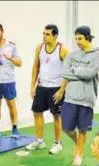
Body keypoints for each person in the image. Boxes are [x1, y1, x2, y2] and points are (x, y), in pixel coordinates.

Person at [60, 26, 99, 166]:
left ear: (87, 38)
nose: (77, 41)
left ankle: (78, 154)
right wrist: (80, 73)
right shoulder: (72, 54)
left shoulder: (97, 54)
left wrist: (74, 70)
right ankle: (78, 143)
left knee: (83, 130)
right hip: (70, 97)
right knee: (67, 128)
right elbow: (64, 72)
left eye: (80, 38)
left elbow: (90, 74)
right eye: (76, 38)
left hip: (86, 99)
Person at [26, 24, 68, 155]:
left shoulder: (62, 50)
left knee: (57, 115)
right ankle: (39, 141)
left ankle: (57, 143)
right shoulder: (40, 47)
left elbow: (68, 73)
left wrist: (61, 91)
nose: (44, 36)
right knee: (37, 113)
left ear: (55, 35)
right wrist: (32, 86)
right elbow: (35, 67)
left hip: (55, 88)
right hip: (41, 87)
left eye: (47, 34)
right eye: (43, 34)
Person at [0, 23, 23, 138]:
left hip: (9, 80)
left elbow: (20, 63)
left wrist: (11, 58)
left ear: (2, 32)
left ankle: (15, 129)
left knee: (11, 105)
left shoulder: (11, 46)